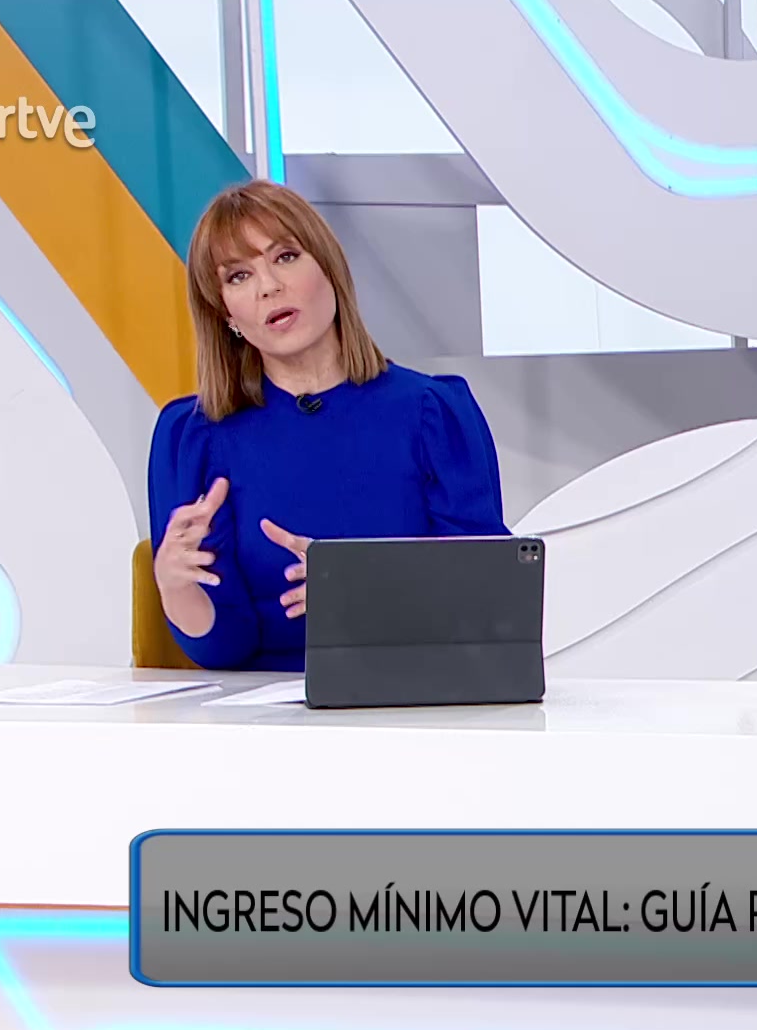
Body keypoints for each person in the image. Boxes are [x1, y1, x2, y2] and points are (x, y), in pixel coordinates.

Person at [148, 180, 506, 671]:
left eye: (286, 256)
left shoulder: (432, 413)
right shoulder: (196, 437)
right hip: (263, 707)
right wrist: (175, 588)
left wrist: (364, 595)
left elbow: (488, 604)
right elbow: (225, 648)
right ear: (225, 314)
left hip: (413, 696)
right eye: (238, 276)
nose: (268, 286)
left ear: (329, 268)